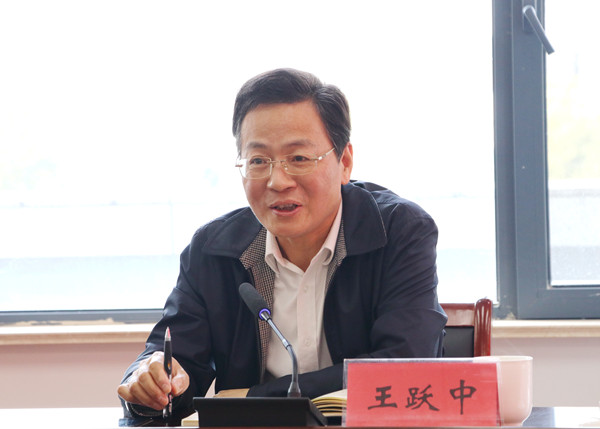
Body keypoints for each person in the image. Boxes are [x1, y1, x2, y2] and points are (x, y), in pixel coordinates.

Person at [117, 68, 447, 420]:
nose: (277, 181)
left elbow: (403, 367)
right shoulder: (213, 250)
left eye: (299, 158)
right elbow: (173, 363)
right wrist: (149, 384)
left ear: (345, 162)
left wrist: (249, 398)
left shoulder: (397, 231)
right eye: (259, 161)